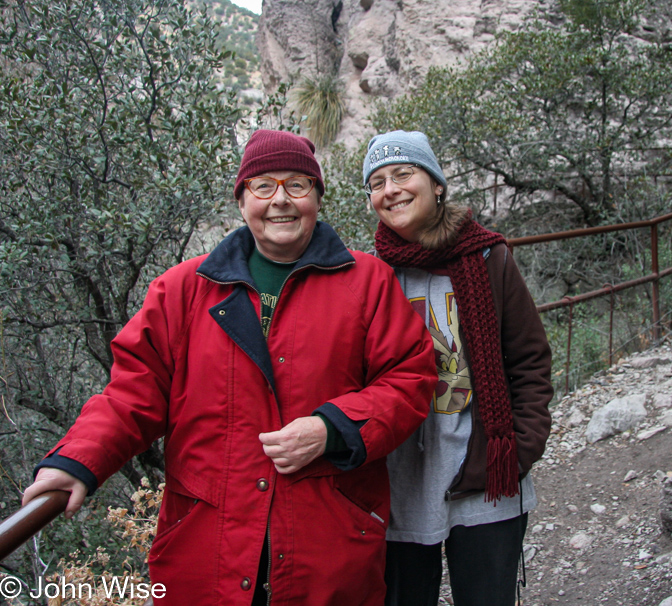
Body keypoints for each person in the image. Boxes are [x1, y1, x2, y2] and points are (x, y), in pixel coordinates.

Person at [22, 129, 438, 606]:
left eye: (297, 185)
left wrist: (333, 429)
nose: (280, 200)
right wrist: (77, 460)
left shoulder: (368, 283)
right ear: (242, 201)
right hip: (206, 547)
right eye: (263, 186)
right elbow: (132, 393)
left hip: (328, 548)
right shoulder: (181, 290)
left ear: (317, 198)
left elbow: (410, 379)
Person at [362, 130, 553, 606]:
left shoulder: (489, 259)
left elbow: (530, 359)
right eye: (378, 182)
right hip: (401, 479)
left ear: (437, 184)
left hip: (487, 477)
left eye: (404, 174)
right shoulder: (368, 274)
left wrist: (520, 447)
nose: (391, 189)